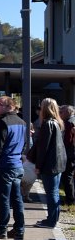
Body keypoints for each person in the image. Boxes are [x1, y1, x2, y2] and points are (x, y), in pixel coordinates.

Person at [0, 96, 28, 239]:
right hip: (16, 165)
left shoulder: (2, 122)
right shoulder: (22, 122)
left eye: (0, 105)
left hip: (4, 165)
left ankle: (0, 228)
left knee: (2, 198)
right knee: (17, 198)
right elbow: (25, 143)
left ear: (10, 107)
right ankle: (19, 229)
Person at [32, 98, 67, 229]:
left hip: (49, 164)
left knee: (51, 193)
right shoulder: (58, 122)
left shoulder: (47, 124)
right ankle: (53, 218)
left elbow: (43, 148)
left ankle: (51, 221)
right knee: (54, 192)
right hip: (58, 162)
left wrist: (38, 166)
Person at [60, 104, 75, 207]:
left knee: (67, 177)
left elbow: (67, 140)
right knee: (69, 177)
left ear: (67, 112)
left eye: (62, 112)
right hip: (71, 153)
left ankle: (70, 200)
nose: (60, 114)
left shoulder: (69, 122)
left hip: (69, 154)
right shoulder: (72, 120)